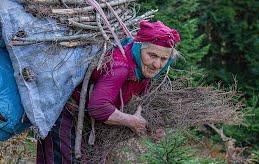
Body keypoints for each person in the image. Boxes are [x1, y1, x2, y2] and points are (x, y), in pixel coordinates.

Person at [36, 20, 181, 164]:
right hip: (66, 116)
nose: (157, 64)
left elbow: (141, 102)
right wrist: (131, 121)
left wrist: (152, 127)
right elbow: (98, 108)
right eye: (153, 55)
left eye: (164, 59)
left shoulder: (144, 69)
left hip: (91, 124)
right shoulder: (120, 66)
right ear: (139, 48)